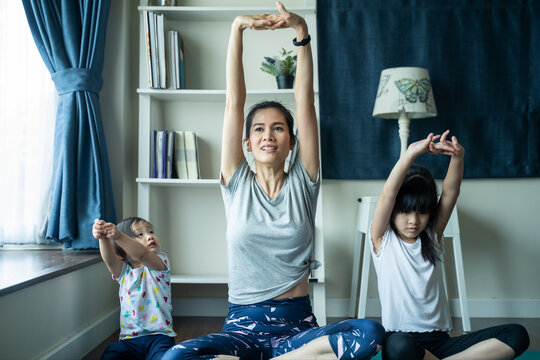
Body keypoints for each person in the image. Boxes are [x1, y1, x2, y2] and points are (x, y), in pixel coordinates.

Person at [162, 2, 384, 359]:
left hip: (298, 326)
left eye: (279, 128)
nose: (269, 135)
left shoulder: (304, 180)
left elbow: (305, 101)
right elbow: (234, 103)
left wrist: (301, 34)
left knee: (370, 332)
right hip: (241, 327)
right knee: (175, 357)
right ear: (246, 143)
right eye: (260, 129)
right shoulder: (236, 183)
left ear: (292, 141)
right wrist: (237, 29)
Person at [369, 131, 530, 360]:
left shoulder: (432, 237)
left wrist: (457, 158)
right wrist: (410, 154)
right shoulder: (382, 241)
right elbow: (387, 195)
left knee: (516, 334)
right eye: (405, 212)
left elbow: (450, 193)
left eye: (422, 212)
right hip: (403, 343)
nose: (414, 220)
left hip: (440, 344)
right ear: (394, 211)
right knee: (397, 345)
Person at [93, 217, 176, 360]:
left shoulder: (160, 261)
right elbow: (110, 259)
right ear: (123, 251)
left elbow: (142, 255)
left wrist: (118, 236)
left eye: (150, 231)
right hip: (129, 339)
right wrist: (103, 237)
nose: (150, 236)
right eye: (140, 235)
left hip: (160, 337)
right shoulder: (123, 271)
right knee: (112, 353)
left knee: (166, 357)